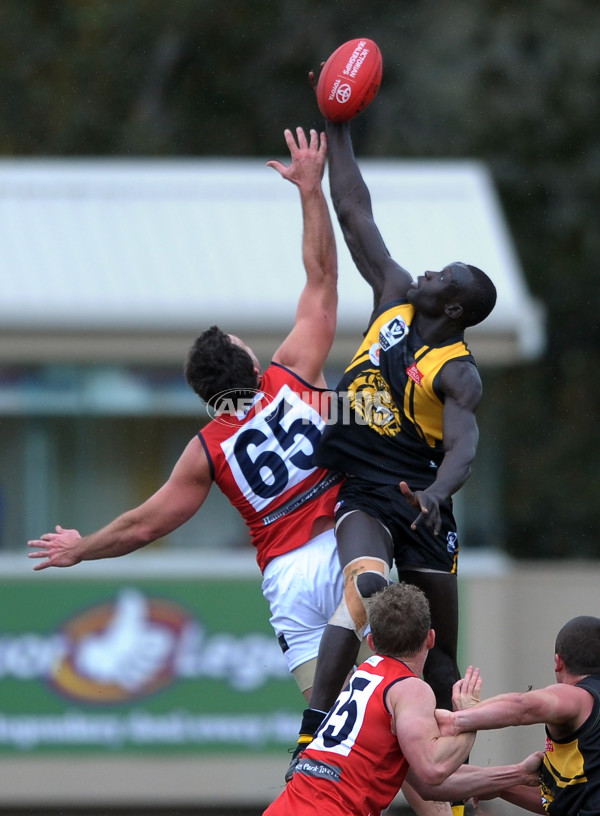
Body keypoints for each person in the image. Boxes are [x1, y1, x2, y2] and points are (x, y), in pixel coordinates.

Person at [26, 126, 358, 702]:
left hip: (289, 580)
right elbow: (323, 277)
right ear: (247, 360)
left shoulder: (207, 449)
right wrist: (309, 189)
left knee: (342, 728)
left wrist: (80, 549)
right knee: (400, 696)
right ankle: (453, 795)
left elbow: (144, 526)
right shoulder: (294, 371)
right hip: (344, 545)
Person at [286, 111, 497, 772]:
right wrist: (340, 125)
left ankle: (455, 779)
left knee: (436, 655)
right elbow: (355, 211)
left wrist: (436, 494)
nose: (429, 271)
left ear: (455, 307)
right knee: (369, 585)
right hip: (368, 491)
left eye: (445, 275)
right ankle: (314, 731)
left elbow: (463, 448)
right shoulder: (394, 296)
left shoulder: (458, 372)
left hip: (423, 501)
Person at [264, 582, 541, 816]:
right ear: (430, 639)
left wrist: (516, 774)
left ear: (371, 643)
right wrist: (469, 718)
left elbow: (427, 785)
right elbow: (433, 769)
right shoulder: (409, 688)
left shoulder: (362, 676)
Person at [436, 615, 600, 814]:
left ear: (558, 662)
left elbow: (522, 706)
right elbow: (561, 803)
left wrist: (458, 720)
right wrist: (502, 786)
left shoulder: (579, 697)